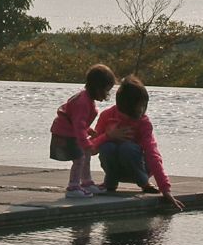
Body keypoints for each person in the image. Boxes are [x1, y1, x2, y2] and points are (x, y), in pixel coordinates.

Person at [88, 75, 184, 211]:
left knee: (127, 148)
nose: (138, 114)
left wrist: (165, 189)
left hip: (141, 168)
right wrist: (108, 136)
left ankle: (144, 183)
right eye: (136, 110)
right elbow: (91, 149)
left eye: (142, 109)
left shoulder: (143, 122)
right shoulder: (107, 116)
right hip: (117, 169)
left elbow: (152, 154)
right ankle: (110, 182)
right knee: (107, 146)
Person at [49, 64, 116, 197]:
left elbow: (78, 122)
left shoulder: (87, 99)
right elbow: (78, 125)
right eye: (106, 90)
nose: (107, 94)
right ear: (97, 88)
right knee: (79, 157)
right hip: (65, 134)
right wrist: (86, 143)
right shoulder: (83, 102)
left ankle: (86, 182)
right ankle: (73, 187)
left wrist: (88, 130)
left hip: (71, 131)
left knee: (85, 155)